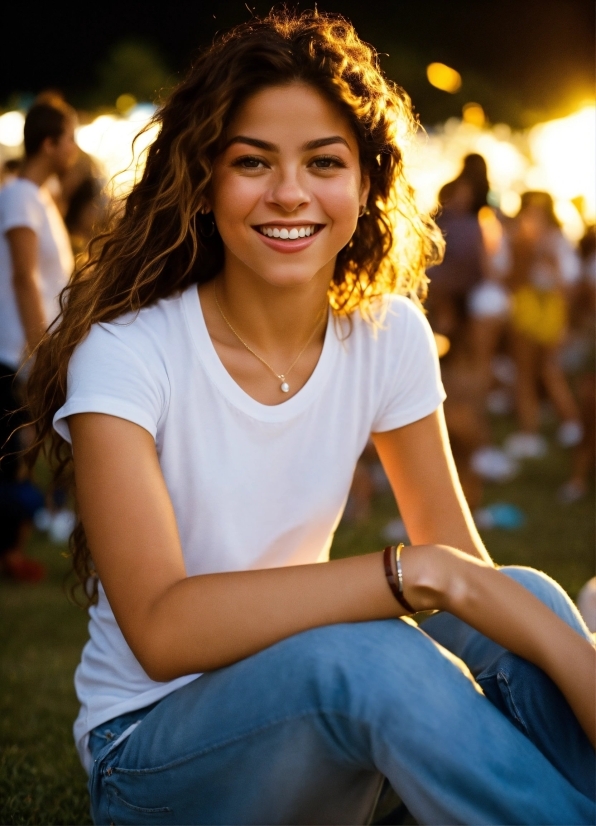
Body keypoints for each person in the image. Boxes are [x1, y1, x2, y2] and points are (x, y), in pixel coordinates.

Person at [26, 12, 595, 825]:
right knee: (371, 657)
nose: (289, 192)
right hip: (151, 753)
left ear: (365, 186)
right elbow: (160, 627)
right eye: (252, 162)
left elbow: (467, 570)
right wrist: (405, 574)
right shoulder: (127, 354)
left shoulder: (388, 331)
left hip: (317, 703)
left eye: (323, 162)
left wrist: (576, 659)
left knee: (528, 600)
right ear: (204, 181)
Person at [0, 96, 77, 579]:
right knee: (12, 457)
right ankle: (9, 554)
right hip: (14, 352)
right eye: (69, 137)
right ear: (50, 143)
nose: (75, 147)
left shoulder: (41, 196)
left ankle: (12, 552)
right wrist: (40, 348)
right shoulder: (19, 196)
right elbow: (24, 277)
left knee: (22, 456)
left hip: (30, 350)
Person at [505, 191, 582, 459]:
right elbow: (514, 279)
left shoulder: (556, 242)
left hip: (546, 311)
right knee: (530, 372)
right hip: (531, 308)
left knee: (543, 370)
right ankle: (541, 430)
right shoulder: (519, 240)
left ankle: (558, 427)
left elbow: (567, 282)